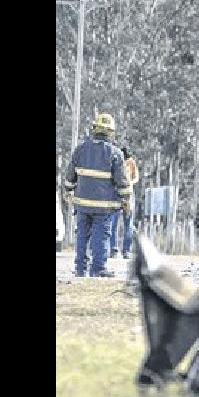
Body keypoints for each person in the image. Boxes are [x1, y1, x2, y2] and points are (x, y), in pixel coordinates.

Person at [63, 113, 132, 277]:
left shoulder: (80, 149)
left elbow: (70, 176)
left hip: (82, 204)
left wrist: (68, 191)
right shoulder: (115, 153)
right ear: (111, 132)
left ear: (94, 129)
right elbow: (122, 181)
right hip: (104, 206)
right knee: (100, 236)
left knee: (82, 235)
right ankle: (98, 268)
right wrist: (126, 199)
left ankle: (80, 268)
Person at [109, 146, 140, 259]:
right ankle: (113, 250)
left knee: (128, 224)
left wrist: (129, 183)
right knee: (113, 223)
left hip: (128, 196)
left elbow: (136, 177)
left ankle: (126, 250)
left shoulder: (130, 162)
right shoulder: (115, 162)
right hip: (116, 195)